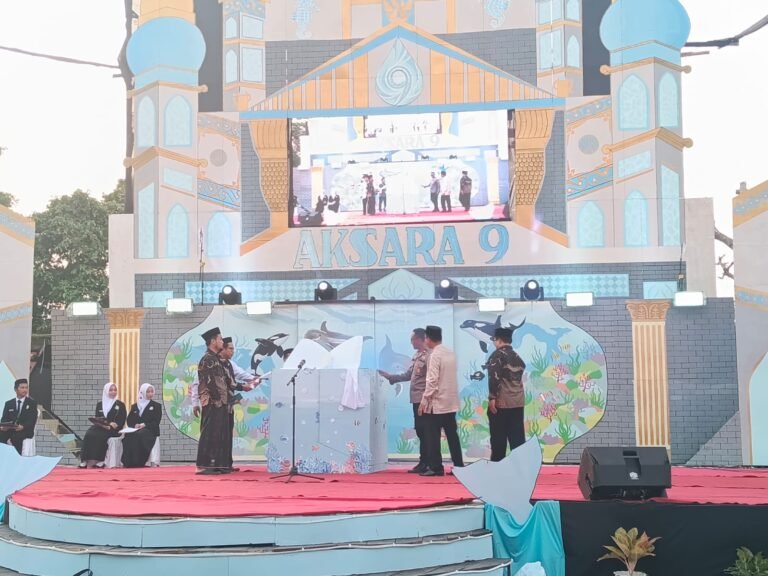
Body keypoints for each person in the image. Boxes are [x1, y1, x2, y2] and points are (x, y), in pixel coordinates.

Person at [378, 328, 430, 474]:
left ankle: (429, 463)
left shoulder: (429, 356)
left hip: (424, 399)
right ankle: (423, 462)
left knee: (426, 431)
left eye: (413, 339)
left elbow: (433, 380)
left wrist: (427, 398)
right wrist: (391, 377)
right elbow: (409, 375)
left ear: (419, 339)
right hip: (416, 399)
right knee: (420, 430)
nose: (411, 342)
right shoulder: (417, 356)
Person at [418, 326, 464, 476]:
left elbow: (432, 381)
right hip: (451, 402)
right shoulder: (451, 354)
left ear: (428, 339)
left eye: (425, 338)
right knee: (452, 436)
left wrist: (424, 400)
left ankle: (436, 467)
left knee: (432, 436)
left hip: (437, 403)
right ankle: (459, 466)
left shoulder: (435, 355)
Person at [195, 327, 235, 475]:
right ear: (213, 341)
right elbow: (209, 383)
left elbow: (223, 381)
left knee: (218, 434)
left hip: (221, 403)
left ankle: (216, 464)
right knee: (209, 434)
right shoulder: (207, 359)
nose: (222, 341)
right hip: (212, 402)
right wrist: (217, 400)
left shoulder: (216, 359)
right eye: (220, 339)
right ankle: (203, 465)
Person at [486, 327, 527, 461]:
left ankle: (498, 465)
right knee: (517, 438)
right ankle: (520, 466)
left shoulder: (497, 355)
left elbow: (494, 378)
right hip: (518, 402)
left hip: (502, 403)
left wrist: (492, 398)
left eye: (495, 340)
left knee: (498, 438)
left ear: (498, 340)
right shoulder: (517, 357)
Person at [79, 383, 126, 469]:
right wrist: (107, 423)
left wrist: (112, 425)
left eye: (115, 390)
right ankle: (85, 459)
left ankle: (100, 460)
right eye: (111, 390)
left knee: (100, 436)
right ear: (106, 391)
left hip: (113, 429)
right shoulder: (100, 404)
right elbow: (98, 418)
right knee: (89, 434)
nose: (113, 392)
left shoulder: (120, 405)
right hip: (101, 426)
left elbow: (121, 421)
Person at [121, 383, 163, 468]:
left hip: (150, 430)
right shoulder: (135, 406)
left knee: (139, 435)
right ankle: (129, 461)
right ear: (142, 392)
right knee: (128, 436)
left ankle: (139, 461)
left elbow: (156, 422)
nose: (150, 394)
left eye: (152, 392)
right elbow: (129, 420)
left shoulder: (156, 406)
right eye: (148, 392)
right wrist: (135, 425)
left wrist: (144, 424)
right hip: (137, 429)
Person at [0, 379, 38, 455]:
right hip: (10, 429)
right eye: (22, 387)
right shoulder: (8, 403)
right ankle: (3, 456)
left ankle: (17, 457)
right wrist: (4, 426)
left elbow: (32, 419)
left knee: (16, 437)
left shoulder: (32, 403)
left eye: (26, 387)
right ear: (16, 389)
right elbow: (4, 418)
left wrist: (23, 426)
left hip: (25, 430)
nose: (25, 390)